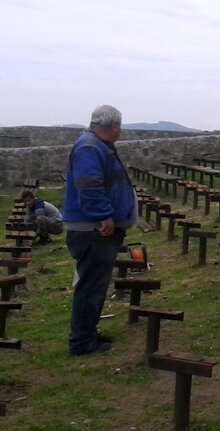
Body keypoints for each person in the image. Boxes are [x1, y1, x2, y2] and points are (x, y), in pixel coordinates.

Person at [63, 105, 137, 356]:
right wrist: (103, 216)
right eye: (120, 126)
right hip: (93, 230)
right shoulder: (89, 147)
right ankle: (82, 343)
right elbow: (89, 186)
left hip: (96, 229)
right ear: (114, 126)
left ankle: (87, 334)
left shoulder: (95, 145)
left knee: (94, 285)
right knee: (91, 287)